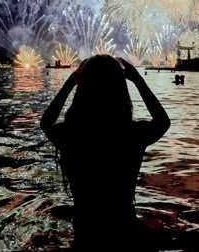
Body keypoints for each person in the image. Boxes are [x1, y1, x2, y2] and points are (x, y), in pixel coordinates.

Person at [40, 55, 171, 251]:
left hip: (87, 235)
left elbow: (46, 123)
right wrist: (138, 81)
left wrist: (71, 82)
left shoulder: (70, 135)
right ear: (120, 89)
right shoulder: (131, 134)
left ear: (82, 89)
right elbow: (163, 121)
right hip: (126, 231)